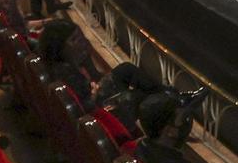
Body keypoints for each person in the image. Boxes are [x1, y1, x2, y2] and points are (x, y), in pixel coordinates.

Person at [37, 20, 175, 133]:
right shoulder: (65, 72)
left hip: (95, 99)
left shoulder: (68, 61)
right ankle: (169, 108)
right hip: (98, 114)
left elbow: (94, 76)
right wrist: (94, 92)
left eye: (80, 36)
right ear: (58, 46)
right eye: (74, 39)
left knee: (125, 69)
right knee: (135, 96)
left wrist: (92, 81)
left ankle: (167, 95)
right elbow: (85, 109)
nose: (81, 41)